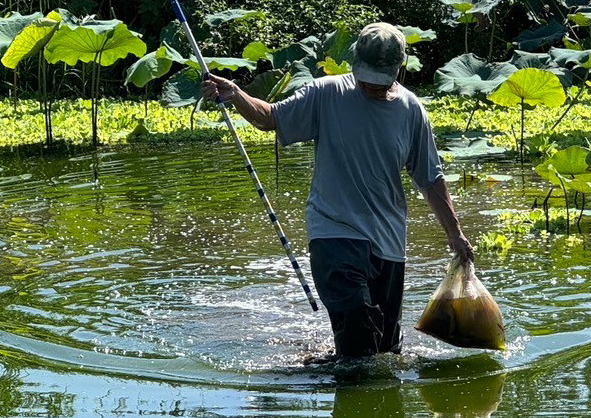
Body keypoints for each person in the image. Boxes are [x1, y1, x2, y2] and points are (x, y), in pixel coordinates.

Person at [200, 22, 473, 360]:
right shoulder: (326, 93)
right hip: (333, 231)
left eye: (380, 78)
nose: (371, 85)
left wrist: (455, 234)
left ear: (399, 68)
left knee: (386, 350)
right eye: (366, 75)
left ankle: (329, 367)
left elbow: (430, 177)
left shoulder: (410, 110)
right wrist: (236, 94)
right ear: (355, 62)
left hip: (388, 241)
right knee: (357, 321)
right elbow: (270, 117)